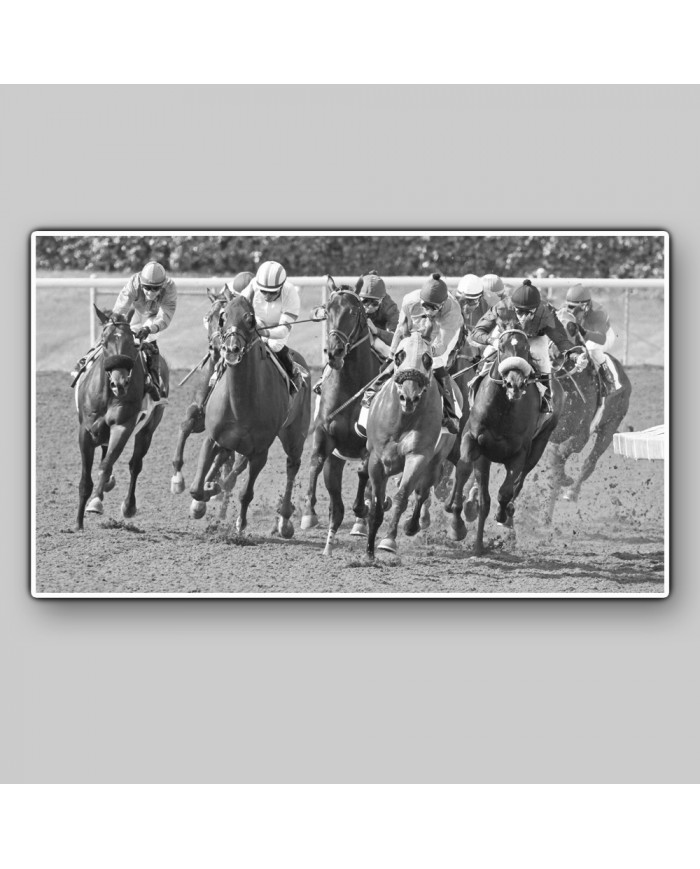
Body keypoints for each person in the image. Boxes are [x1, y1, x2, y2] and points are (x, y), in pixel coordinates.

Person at [357, 272, 462, 436]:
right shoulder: (410, 301)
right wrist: (393, 354)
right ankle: (371, 394)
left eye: (433, 307)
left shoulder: (452, 313)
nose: (428, 311)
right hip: (416, 331)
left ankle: (451, 413)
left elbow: (441, 345)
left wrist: (422, 352)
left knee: (437, 363)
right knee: (397, 361)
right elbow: (400, 329)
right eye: (425, 306)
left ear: (443, 304)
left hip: (442, 334)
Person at [471, 278, 585, 413]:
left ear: (537, 308)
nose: (523, 317)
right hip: (507, 335)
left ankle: (546, 398)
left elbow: (561, 340)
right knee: (488, 353)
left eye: (528, 312)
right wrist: (492, 341)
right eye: (519, 312)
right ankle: (476, 386)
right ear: (512, 306)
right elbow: (476, 332)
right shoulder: (502, 307)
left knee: (541, 358)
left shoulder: (546, 312)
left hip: (534, 338)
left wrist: (575, 356)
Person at [72, 260, 176, 400]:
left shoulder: (170, 288)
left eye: (155, 288)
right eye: (147, 287)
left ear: (162, 285)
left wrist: (149, 328)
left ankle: (154, 380)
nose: (151, 292)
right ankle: (85, 359)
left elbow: (165, 316)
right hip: (135, 311)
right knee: (114, 332)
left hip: (155, 316)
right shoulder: (134, 282)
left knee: (150, 338)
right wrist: (116, 324)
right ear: (141, 282)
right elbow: (121, 309)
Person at [313, 270, 399, 395]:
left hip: (377, 338)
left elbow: (396, 338)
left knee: (384, 348)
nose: (369, 307)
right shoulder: (353, 299)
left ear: (382, 299)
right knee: (339, 345)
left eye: (375, 303)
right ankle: (324, 379)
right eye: (365, 301)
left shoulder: (390, 307)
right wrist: (320, 312)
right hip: (356, 335)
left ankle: (391, 381)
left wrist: (376, 330)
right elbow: (319, 310)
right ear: (359, 298)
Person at [240, 260, 307, 391]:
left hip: (278, 327)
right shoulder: (254, 284)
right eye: (264, 291)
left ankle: (292, 374)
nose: (267, 296)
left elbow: (283, 331)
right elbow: (239, 304)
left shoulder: (291, 293)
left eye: (272, 292)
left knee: (274, 346)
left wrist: (264, 333)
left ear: (281, 287)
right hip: (258, 321)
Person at [563, 284, 621, 396]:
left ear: (585, 306)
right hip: (581, 333)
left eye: (575, 308)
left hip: (604, 335)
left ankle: (608, 378)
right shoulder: (565, 309)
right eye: (569, 306)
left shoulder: (598, 312)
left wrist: (584, 332)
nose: (570, 311)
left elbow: (601, 339)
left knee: (592, 348)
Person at [454, 273, 498, 359]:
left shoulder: (491, 304)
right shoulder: (450, 306)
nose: (466, 307)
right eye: (463, 301)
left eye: (471, 302)